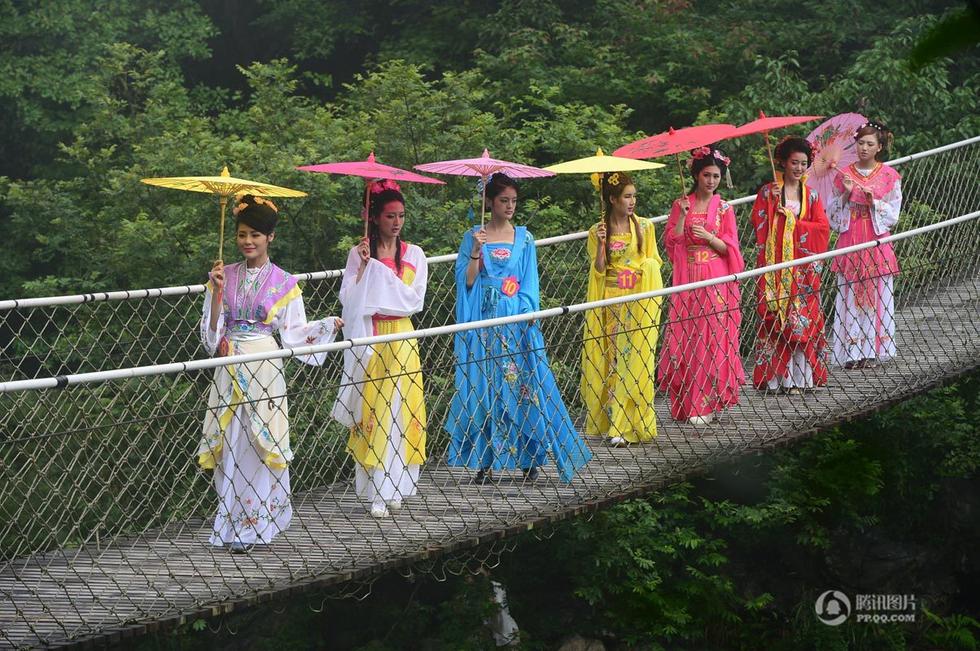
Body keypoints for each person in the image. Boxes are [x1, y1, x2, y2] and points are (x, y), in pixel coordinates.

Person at [200, 194, 342, 552]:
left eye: (255, 235)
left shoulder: (285, 282)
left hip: (264, 367)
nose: (248, 241)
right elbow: (210, 338)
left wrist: (326, 326)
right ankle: (231, 524)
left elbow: (294, 333)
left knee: (258, 443)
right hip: (228, 366)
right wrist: (216, 294)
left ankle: (256, 526)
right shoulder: (223, 276)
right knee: (230, 442)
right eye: (242, 234)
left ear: (270, 238)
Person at [446, 173, 592, 483]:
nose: (510, 206)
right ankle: (485, 461)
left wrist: (528, 314)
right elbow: (466, 282)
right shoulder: (473, 236)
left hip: (515, 322)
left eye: (513, 201)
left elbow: (529, 283)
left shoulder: (525, 239)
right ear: (489, 202)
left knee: (524, 386)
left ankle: (528, 459)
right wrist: (476, 251)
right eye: (503, 201)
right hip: (484, 322)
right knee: (486, 386)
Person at [331, 180, 428, 519]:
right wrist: (364, 269)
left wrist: (378, 282)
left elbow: (413, 300)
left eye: (401, 215)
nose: (397, 222)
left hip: (402, 336)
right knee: (375, 410)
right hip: (372, 336)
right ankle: (376, 490)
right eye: (389, 216)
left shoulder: (414, 255)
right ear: (374, 218)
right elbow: (348, 300)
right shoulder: (359, 254)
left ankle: (397, 486)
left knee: (402, 409)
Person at [657, 147, 745, 425]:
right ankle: (687, 404)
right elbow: (671, 244)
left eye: (716, 176)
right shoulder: (680, 205)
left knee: (713, 336)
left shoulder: (725, 208)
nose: (711, 181)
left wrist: (708, 237)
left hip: (715, 277)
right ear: (696, 175)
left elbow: (731, 250)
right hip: (688, 278)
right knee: (688, 336)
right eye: (706, 175)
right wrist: (683, 217)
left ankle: (707, 404)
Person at [581, 171, 663, 444]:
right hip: (611, 302)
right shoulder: (597, 231)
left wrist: (643, 271)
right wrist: (602, 245)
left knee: (635, 359)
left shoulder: (645, 227)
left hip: (637, 301)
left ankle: (626, 425)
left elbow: (653, 262)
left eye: (634, 196)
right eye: (627, 196)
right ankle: (615, 421)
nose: (632, 201)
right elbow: (599, 270)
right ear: (613, 199)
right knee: (614, 360)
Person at [751, 136, 831, 394]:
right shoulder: (768, 192)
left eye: (803, 163)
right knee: (775, 318)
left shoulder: (812, 195)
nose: (798, 168)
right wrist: (770, 204)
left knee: (802, 320)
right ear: (783, 163)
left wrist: (794, 223)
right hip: (776, 267)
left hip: (803, 269)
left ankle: (801, 379)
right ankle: (775, 380)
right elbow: (759, 224)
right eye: (794, 162)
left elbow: (822, 228)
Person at [827, 121, 901, 368]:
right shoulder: (843, 175)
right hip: (851, 237)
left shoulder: (889, 175)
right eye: (861, 143)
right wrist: (846, 194)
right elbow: (832, 214)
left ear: (879, 147)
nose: (864, 148)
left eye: (870, 144)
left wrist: (874, 203)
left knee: (877, 294)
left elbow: (894, 214)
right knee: (850, 293)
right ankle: (851, 352)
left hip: (875, 238)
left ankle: (873, 350)